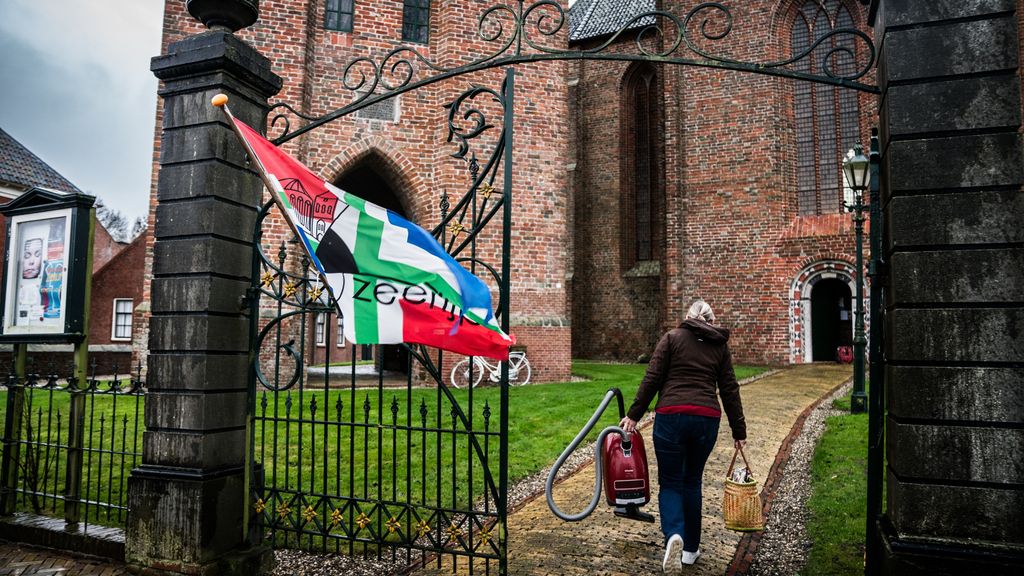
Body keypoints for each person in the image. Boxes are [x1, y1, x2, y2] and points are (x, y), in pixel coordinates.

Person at [619, 299, 747, 573]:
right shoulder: (719, 347)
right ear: (711, 320)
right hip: (706, 419)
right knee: (691, 481)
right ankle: (690, 550)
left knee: (671, 481)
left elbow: (652, 378)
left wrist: (634, 415)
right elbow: (729, 389)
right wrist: (739, 431)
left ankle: (674, 534)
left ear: (688, 317)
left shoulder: (672, 338)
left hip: (671, 416)